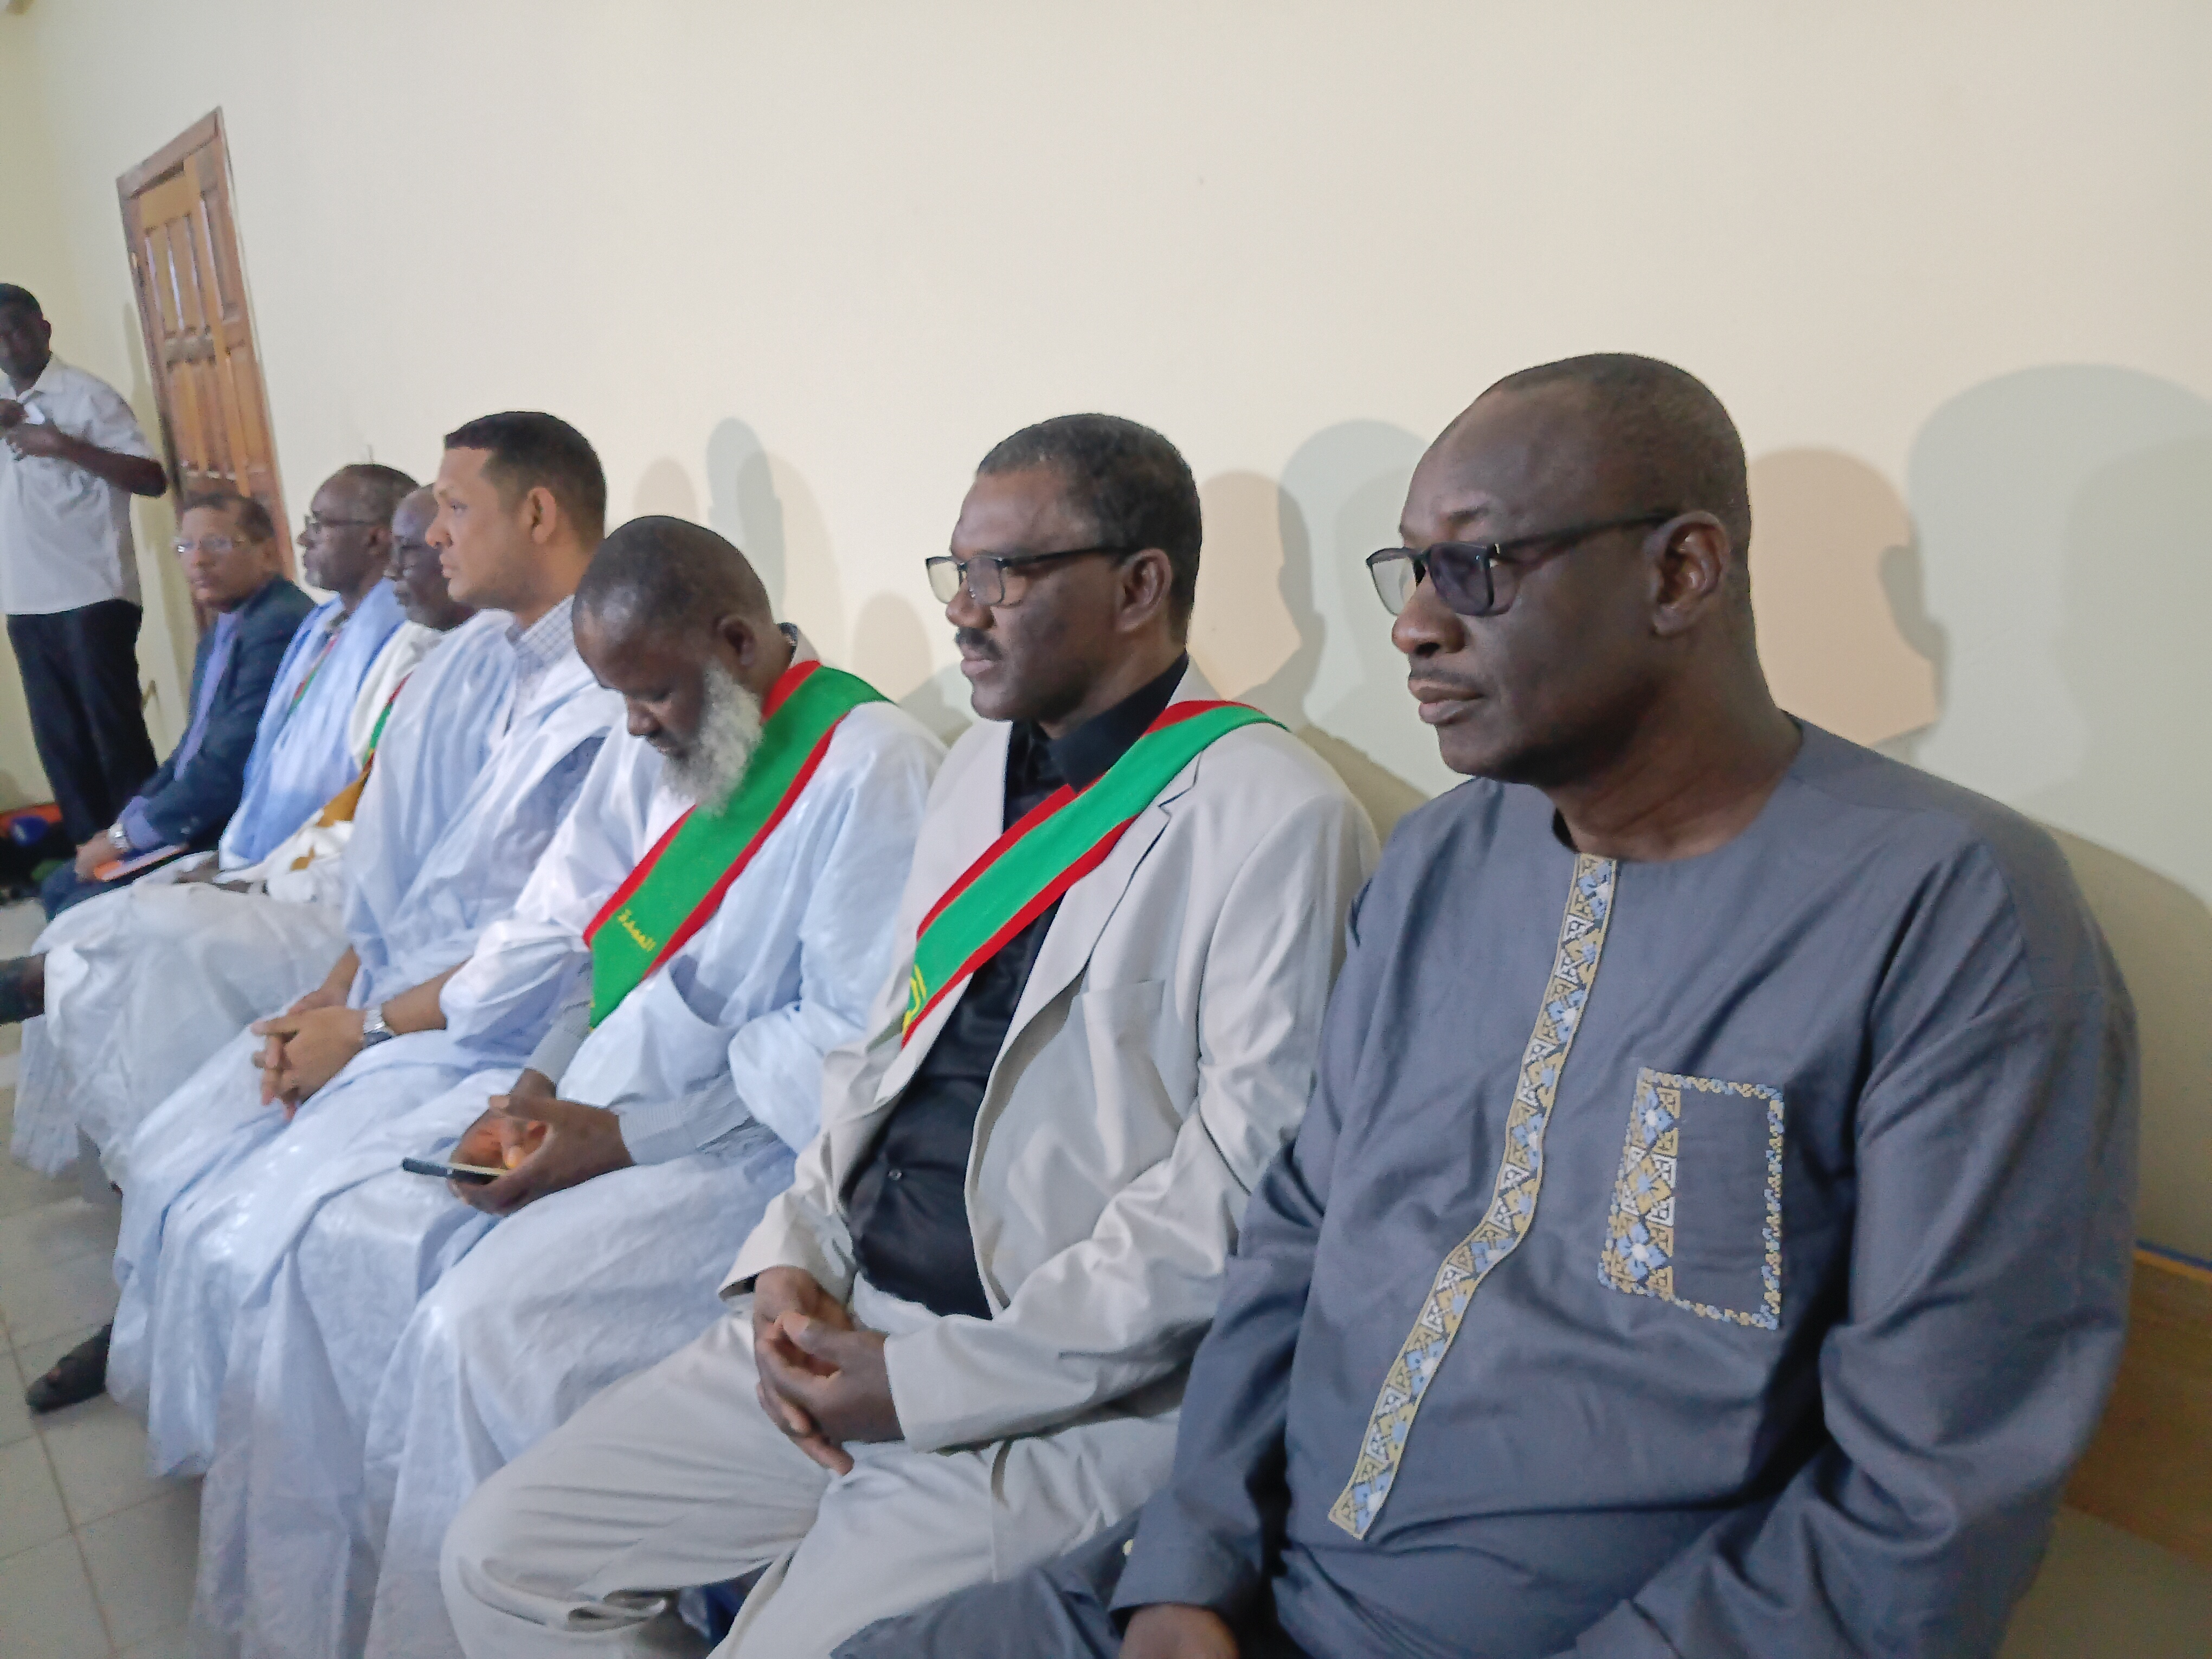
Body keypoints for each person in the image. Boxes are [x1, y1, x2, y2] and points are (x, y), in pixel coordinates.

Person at [833, 356, 2140, 1659]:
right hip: (1237, 1589)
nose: (1413, 624)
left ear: (1679, 573)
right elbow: (1294, 1238)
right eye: (1409, 570)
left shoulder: (1947, 913)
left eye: (1472, 567)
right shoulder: (1438, 865)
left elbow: (1921, 1506)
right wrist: (1188, 1564)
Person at [441, 414, 1379, 1659]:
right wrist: (790, 1255)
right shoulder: (975, 768)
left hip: (1045, 1399)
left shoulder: (1275, 815)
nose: (962, 610)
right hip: (845, 1319)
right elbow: (877, 1056)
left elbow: (1229, 1207)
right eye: (957, 570)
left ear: (1139, 586)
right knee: (503, 1560)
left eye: (1003, 574)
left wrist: (927, 1384)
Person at [190, 516, 943, 1659]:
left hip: (747, 1157)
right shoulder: (668, 732)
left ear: (739, 644)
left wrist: (619, 1138)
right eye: (619, 699)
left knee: (475, 1332)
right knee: (364, 1245)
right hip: (603, 1102)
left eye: (650, 696)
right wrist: (537, 1089)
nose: (632, 726)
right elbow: (597, 936)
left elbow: (840, 1059)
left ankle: (517, 1612)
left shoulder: (874, 767)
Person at [104, 412, 621, 1456]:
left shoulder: (616, 685)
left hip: (497, 1032)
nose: (432, 534)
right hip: (398, 991)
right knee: (178, 1157)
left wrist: (369, 1027)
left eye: (456, 508)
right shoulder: (472, 661)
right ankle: (204, 1398)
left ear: (537, 513)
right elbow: (399, 869)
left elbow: (563, 943)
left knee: (285, 1231)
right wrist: (338, 990)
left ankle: (338, 1489)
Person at [4, 486, 479, 1194]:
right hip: (313, 873)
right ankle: (139, 1147)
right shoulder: (333, 631)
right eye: (187, 546)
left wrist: (256, 880)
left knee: (145, 939)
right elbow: (325, 792)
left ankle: (152, 1150)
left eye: (423, 549)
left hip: (348, 905)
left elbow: (380, 825)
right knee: (103, 926)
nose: (306, 539)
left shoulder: (417, 654)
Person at [0, 283, 168, 848]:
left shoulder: (88, 396)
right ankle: (88, 859)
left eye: (18, 329)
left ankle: (143, 851)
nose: (9, 344)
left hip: (93, 593)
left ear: (45, 329)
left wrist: (63, 446)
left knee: (113, 736)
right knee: (61, 743)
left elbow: (152, 479)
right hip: (25, 598)